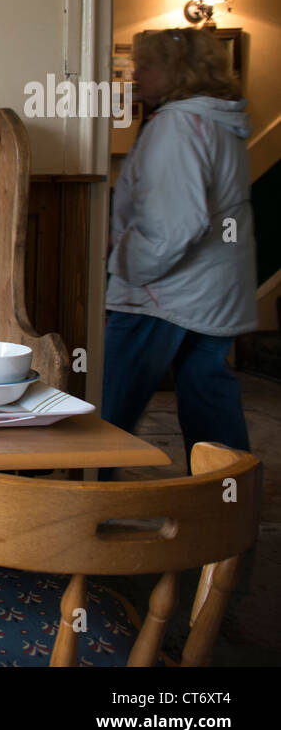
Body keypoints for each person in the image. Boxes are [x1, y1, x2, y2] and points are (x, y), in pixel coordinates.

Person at [103, 27, 257, 469]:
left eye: (146, 65)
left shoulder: (177, 125)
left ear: (176, 72)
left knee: (111, 405)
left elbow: (175, 225)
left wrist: (125, 261)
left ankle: (86, 505)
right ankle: (226, 509)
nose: (136, 74)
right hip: (214, 286)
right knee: (211, 401)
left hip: (163, 292)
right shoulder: (219, 120)